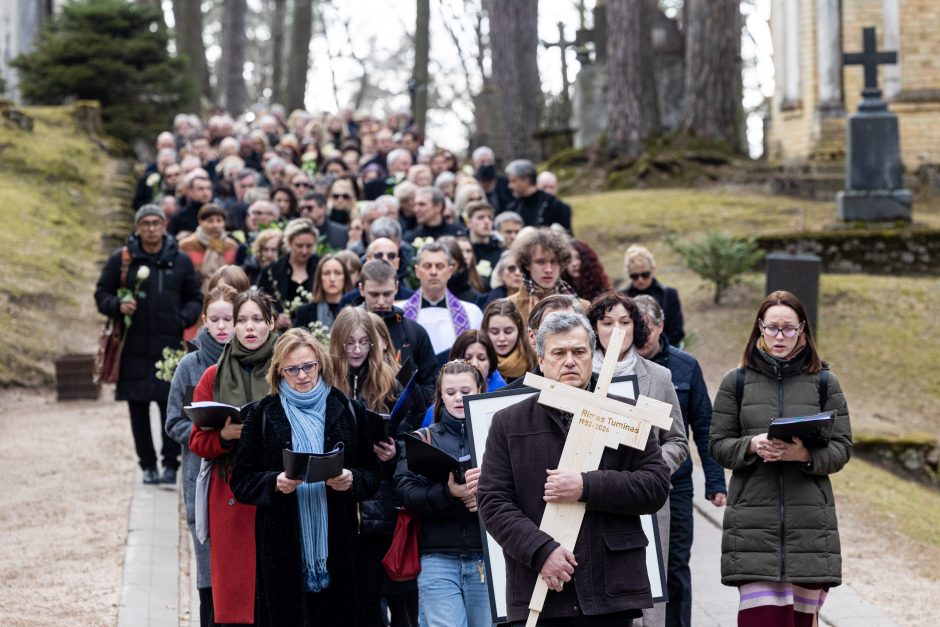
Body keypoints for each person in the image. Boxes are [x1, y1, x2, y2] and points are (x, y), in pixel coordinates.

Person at [476, 312, 672, 625]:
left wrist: (586, 486)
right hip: (539, 590)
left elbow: (655, 487)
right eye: (559, 353)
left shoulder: (625, 416)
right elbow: (493, 502)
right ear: (541, 359)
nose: (570, 361)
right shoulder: (509, 423)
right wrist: (541, 551)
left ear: (592, 356)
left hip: (610, 592)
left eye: (579, 352)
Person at [709, 290, 851, 627]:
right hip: (753, 528)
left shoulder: (824, 383)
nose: (779, 336)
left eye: (788, 328)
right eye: (772, 328)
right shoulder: (737, 382)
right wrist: (752, 445)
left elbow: (842, 448)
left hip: (810, 530)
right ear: (759, 328)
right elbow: (717, 444)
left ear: (802, 329)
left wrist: (803, 454)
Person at [230, 328, 381, 626]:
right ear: (279, 372)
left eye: (308, 366)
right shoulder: (262, 414)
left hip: (338, 543)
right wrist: (274, 482)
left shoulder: (347, 409)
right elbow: (241, 481)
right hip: (281, 545)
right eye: (292, 369)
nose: (302, 375)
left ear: (320, 364)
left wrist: (352, 479)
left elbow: (372, 473)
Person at [585, 291, 689, 627]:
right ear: (594, 328)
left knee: (648, 597)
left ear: (637, 326)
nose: (617, 329)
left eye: (625, 322)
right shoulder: (580, 375)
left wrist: (655, 469)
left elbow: (677, 439)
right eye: (607, 322)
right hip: (592, 498)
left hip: (645, 500)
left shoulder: (659, 378)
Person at [634, 295, 727, 627]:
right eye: (635, 325)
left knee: (673, 566)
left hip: (676, 484)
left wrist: (715, 482)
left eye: (647, 325)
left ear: (661, 325)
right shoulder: (616, 367)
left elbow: (704, 425)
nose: (641, 334)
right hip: (627, 484)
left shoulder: (685, 366)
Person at [94, 204, 203, 484]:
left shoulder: (180, 260)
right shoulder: (122, 259)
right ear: (137, 227)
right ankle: (147, 465)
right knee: (138, 410)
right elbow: (101, 295)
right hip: (132, 349)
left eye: (156, 223)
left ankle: (170, 464)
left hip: (168, 347)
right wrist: (118, 305)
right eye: (146, 223)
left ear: (164, 225)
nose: (152, 228)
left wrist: (182, 319)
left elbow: (195, 297)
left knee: (171, 406)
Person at [188, 289, 278, 625]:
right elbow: (197, 440)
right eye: (242, 320)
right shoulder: (213, 374)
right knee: (236, 600)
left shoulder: (287, 370)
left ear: (271, 323)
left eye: (257, 319)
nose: (249, 327)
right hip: (230, 491)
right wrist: (224, 436)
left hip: (278, 487)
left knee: (275, 592)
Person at [328, 308, 420, 627]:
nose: (356, 350)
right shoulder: (326, 382)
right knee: (352, 597)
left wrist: (394, 453)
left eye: (363, 342)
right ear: (337, 343)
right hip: (338, 501)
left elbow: (411, 439)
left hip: (381, 502)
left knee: (387, 593)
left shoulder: (390, 384)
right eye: (349, 342)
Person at [394, 360, 492, 627]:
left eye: (466, 391)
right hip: (436, 556)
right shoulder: (421, 438)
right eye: (450, 393)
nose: (459, 398)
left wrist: (483, 495)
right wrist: (449, 493)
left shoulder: (495, 436)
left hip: (485, 556)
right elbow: (406, 493)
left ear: (480, 389)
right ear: (440, 395)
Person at [165, 284, 238, 626]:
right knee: (208, 565)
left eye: (229, 319)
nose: (222, 326)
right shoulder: (190, 366)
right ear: (204, 320)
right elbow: (172, 421)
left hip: (241, 475)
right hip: (202, 474)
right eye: (215, 319)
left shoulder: (248, 363)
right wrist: (202, 433)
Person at [358, 259, 438, 401]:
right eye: (374, 295)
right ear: (361, 289)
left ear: (396, 287)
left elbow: (431, 386)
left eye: (387, 294)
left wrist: (410, 401)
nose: (381, 301)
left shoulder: (414, 331)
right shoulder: (346, 329)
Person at [402, 241, 483, 358]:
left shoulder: (472, 312)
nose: (433, 272)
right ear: (417, 271)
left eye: (439, 266)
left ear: (450, 271)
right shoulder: (400, 314)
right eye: (427, 266)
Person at [420, 329, 507, 427]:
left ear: (491, 363)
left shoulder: (507, 399)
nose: (474, 364)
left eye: (481, 358)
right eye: (467, 358)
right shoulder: (433, 412)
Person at [507, 227, 588, 323]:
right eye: (540, 262)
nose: (548, 269)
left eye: (554, 262)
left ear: (561, 263)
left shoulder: (583, 306)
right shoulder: (509, 307)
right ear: (527, 264)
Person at [256, 218, 320, 330]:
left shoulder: (320, 267)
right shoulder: (271, 271)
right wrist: (274, 319)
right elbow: (260, 302)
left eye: (309, 246)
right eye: (299, 246)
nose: (304, 251)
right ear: (289, 243)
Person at [622, 246, 685, 348]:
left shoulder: (669, 295)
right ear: (628, 273)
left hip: (664, 351)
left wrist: (658, 349)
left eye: (645, 274)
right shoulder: (622, 298)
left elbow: (677, 331)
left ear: (653, 269)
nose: (640, 279)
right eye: (634, 276)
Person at [505, 160, 572, 233]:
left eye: (514, 181)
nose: (510, 186)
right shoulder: (513, 207)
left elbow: (567, 237)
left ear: (526, 179)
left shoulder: (554, 205)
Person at [291, 253, 352, 331]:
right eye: (326, 273)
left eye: (337, 273)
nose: (332, 279)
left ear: (345, 277)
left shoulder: (357, 308)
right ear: (319, 278)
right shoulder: (305, 312)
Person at [482, 299, 536, 384]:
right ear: (485, 332)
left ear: (519, 330)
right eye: (494, 332)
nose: (502, 338)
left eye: (508, 331)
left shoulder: (536, 359)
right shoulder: (476, 361)